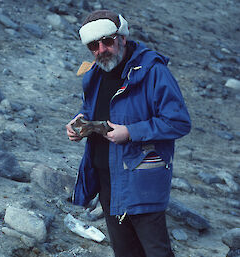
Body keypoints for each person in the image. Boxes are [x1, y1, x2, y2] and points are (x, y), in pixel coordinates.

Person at [66, 9, 191, 257]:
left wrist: (131, 132)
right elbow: (90, 110)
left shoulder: (154, 71)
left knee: (156, 251)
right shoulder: (93, 74)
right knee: (125, 252)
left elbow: (178, 122)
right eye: (93, 45)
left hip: (142, 179)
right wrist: (79, 123)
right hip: (106, 179)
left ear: (122, 37)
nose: (101, 50)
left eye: (107, 41)